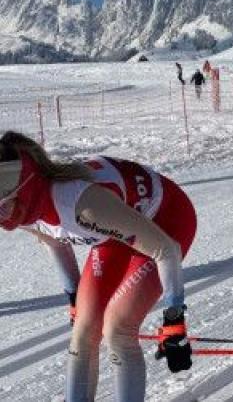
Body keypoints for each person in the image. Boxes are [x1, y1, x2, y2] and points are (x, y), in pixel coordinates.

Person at [0, 131, 197, 401]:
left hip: (165, 220)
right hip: (115, 228)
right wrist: (74, 299)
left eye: (2, 203)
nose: (1, 218)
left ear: (24, 184)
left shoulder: (80, 206)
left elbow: (166, 249)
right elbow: (56, 242)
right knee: (84, 332)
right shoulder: (21, 208)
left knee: (118, 329)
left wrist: (174, 320)